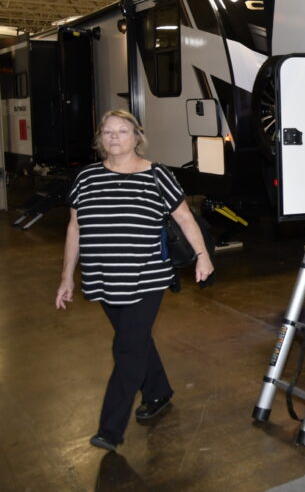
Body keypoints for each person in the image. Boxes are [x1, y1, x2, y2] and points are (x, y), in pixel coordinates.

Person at [55, 110, 214, 451]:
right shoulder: (85, 178)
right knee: (136, 339)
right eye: (108, 132)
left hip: (146, 276)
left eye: (122, 131)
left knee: (127, 347)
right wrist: (67, 275)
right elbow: (75, 227)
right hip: (102, 276)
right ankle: (158, 392)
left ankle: (110, 429)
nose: (114, 137)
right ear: (100, 139)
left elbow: (184, 217)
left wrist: (203, 256)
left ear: (136, 137)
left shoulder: (157, 174)